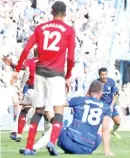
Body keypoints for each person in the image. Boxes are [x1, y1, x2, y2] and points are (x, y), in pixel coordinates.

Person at [11, 1, 75, 155]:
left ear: (51, 12)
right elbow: (71, 57)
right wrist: (67, 77)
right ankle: (52, 142)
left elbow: (27, 49)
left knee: (38, 110)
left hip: (40, 73)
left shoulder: (40, 28)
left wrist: (17, 69)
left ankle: (28, 147)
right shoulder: (68, 30)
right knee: (58, 112)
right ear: (65, 14)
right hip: (57, 74)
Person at [57, 80, 114, 156]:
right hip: (86, 150)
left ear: (89, 90)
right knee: (98, 135)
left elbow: (61, 103)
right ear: (101, 93)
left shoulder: (80, 100)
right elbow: (105, 128)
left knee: (60, 125)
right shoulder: (106, 108)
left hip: (67, 143)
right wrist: (107, 150)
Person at [96, 68, 121, 139]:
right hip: (101, 106)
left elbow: (116, 94)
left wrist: (112, 105)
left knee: (118, 122)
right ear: (99, 75)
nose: (104, 76)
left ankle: (113, 131)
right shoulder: (96, 83)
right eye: (102, 74)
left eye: (105, 74)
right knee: (102, 123)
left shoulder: (111, 81)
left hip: (110, 104)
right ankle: (99, 135)